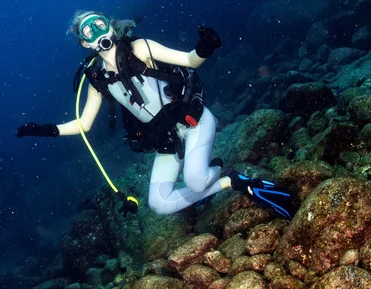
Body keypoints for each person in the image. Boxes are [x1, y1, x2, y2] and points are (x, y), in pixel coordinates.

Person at [16, 11, 295, 219]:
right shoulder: (97, 80)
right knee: (159, 205)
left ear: (110, 26)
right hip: (167, 140)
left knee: (196, 180)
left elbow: (188, 60)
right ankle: (229, 181)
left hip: (193, 122)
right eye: (89, 31)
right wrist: (46, 129)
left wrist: (205, 48)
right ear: (84, 43)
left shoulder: (140, 48)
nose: (97, 31)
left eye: (99, 24)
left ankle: (220, 175)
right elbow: (84, 124)